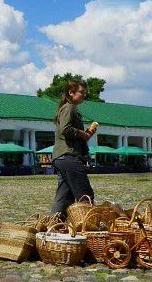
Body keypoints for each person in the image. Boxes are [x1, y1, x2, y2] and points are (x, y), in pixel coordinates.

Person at [50, 80, 96, 216]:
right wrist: (83, 134)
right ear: (71, 92)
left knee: (64, 198)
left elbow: (69, 130)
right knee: (85, 195)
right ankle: (90, 222)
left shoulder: (69, 108)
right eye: (81, 92)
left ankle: (53, 225)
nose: (84, 95)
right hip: (69, 156)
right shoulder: (69, 107)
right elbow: (65, 129)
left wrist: (85, 135)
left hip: (62, 157)